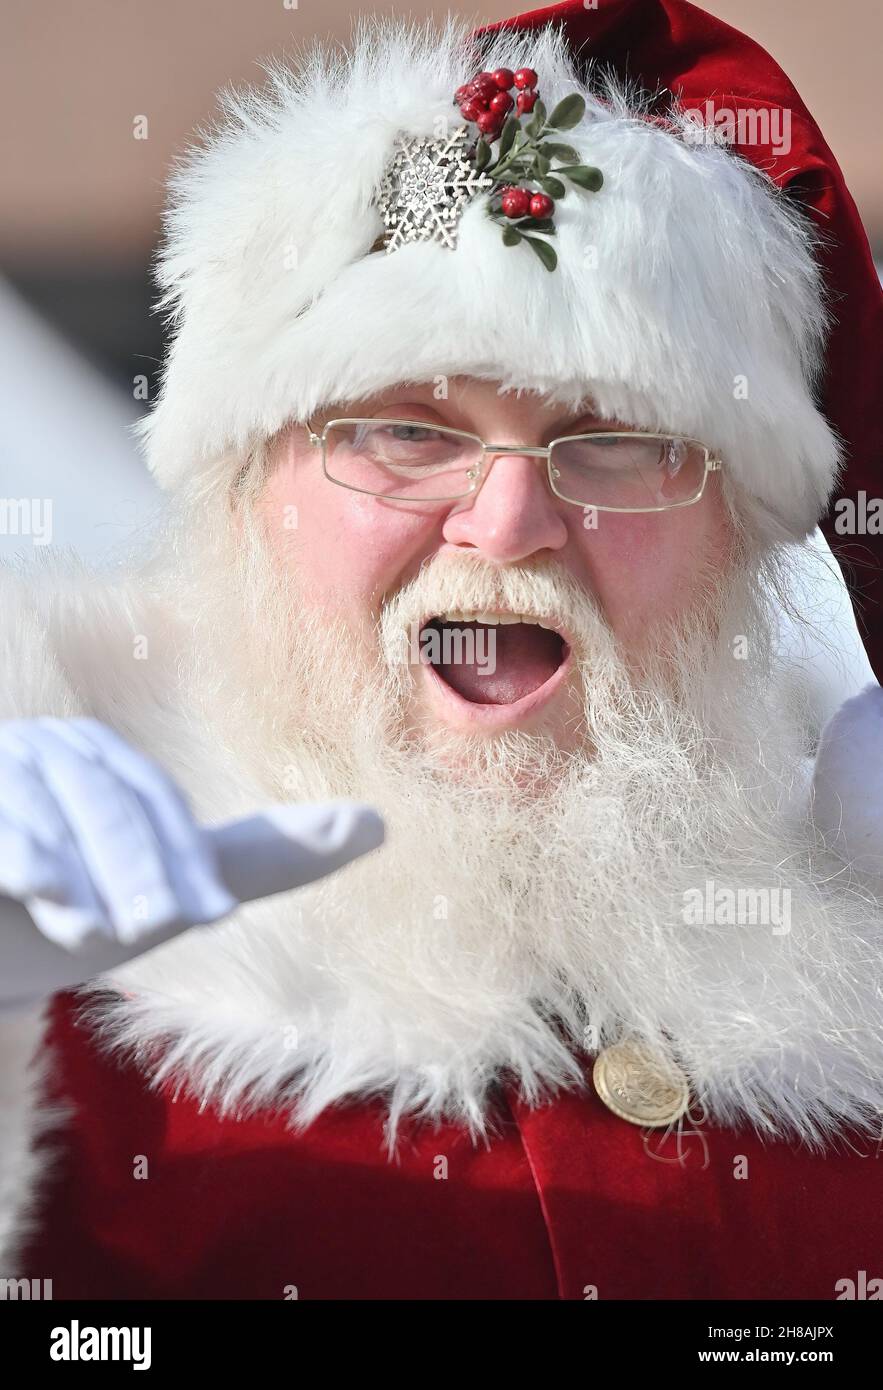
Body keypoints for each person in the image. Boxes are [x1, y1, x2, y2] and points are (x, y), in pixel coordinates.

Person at [1, 0, 882, 1300]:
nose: (513, 518)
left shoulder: (850, 992)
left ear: (738, 547)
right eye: (406, 431)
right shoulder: (58, 979)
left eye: (617, 439)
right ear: (247, 495)